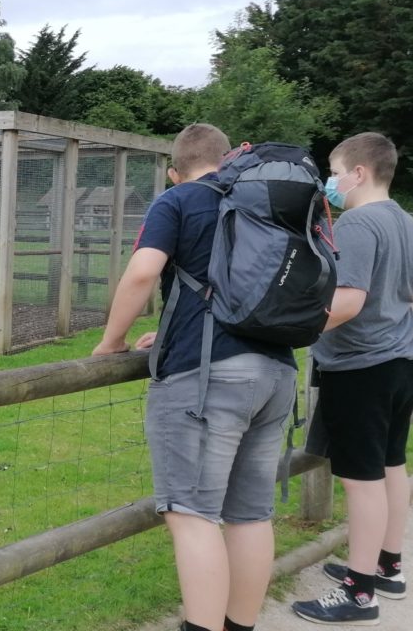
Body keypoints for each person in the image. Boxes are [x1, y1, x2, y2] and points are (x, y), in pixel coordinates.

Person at [91, 123, 297, 631]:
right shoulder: (267, 201)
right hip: (276, 370)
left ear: (172, 169)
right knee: (250, 514)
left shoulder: (178, 200)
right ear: (229, 159)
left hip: (208, 378)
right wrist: (167, 331)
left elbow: (143, 272)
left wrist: (111, 341)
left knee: (192, 514)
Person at [291, 132, 413, 626]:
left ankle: (359, 591)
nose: (331, 182)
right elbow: (410, 295)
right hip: (402, 360)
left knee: (361, 480)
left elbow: (348, 301)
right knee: (391, 465)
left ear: (359, 173)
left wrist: (289, 328)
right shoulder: (407, 223)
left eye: (335, 171)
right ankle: (387, 566)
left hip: (361, 367)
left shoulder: (357, 223)